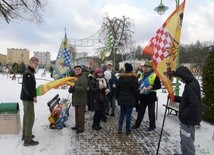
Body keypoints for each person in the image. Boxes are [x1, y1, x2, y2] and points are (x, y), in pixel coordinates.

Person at [172, 66, 202, 155]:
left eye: (180, 78)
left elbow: (194, 104)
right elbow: (187, 100)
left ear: (184, 76)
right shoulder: (191, 83)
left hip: (188, 120)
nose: (180, 80)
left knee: (188, 142)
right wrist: (175, 98)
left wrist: (182, 115)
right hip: (188, 119)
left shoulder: (190, 86)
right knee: (184, 140)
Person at [132, 60, 161, 131]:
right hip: (143, 96)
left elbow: (158, 86)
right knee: (140, 111)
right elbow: (139, 83)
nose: (146, 68)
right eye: (145, 67)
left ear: (151, 68)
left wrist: (151, 87)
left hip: (151, 96)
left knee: (151, 112)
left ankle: (152, 126)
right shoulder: (142, 74)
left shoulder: (155, 75)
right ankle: (137, 124)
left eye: (147, 67)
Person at [115, 63, 140, 135]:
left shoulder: (121, 78)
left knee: (122, 114)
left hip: (122, 97)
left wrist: (117, 97)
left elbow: (117, 89)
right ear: (131, 70)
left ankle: (120, 128)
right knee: (129, 115)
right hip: (131, 99)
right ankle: (127, 130)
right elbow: (136, 90)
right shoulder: (134, 79)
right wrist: (138, 98)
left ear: (125, 70)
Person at [20, 57, 39, 146]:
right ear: (31, 63)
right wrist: (33, 97)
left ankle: (25, 134)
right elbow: (27, 87)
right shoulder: (28, 73)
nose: (37, 65)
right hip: (27, 98)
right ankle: (28, 139)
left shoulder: (30, 72)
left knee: (26, 116)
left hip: (26, 98)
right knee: (30, 117)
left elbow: (30, 86)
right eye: (36, 63)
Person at [69, 65, 88, 133]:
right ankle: (77, 125)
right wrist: (71, 88)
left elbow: (84, 88)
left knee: (81, 114)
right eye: (76, 70)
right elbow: (74, 85)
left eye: (78, 70)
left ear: (81, 70)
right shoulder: (76, 77)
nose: (77, 71)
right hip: (76, 98)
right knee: (77, 114)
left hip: (81, 99)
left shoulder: (83, 77)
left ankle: (81, 127)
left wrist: (75, 88)